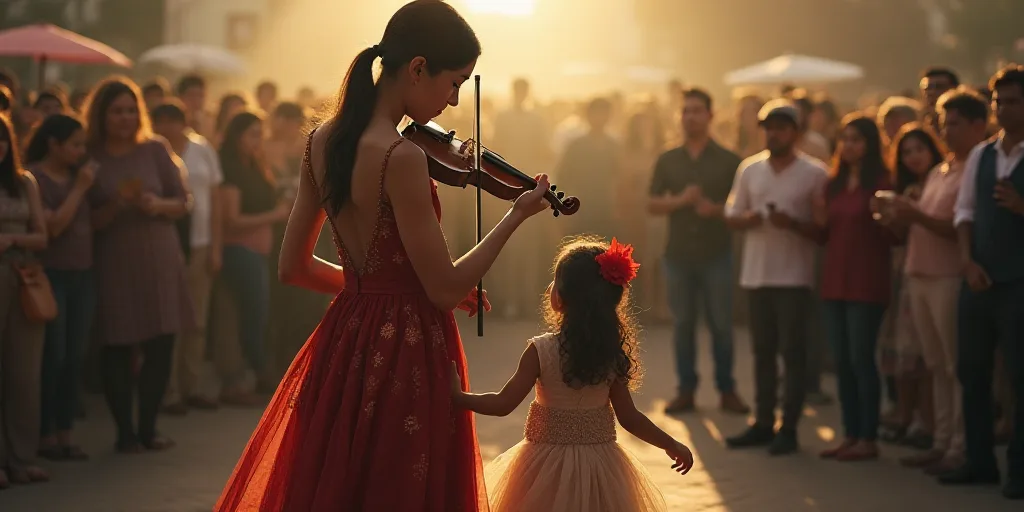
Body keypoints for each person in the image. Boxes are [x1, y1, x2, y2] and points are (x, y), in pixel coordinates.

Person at [214, 2, 551, 510]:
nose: (454, 101)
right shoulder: (402, 157)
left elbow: (294, 268)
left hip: (344, 340)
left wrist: (371, 293)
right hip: (406, 350)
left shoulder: (320, 143)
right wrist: (517, 214)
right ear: (417, 68)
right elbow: (444, 288)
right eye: (453, 82)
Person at [451, 237, 693, 512]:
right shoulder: (609, 354)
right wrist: (671, 444)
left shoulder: (541, 350)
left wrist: (460, 397)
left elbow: (502, 404)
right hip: (601, 469)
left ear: (560, 297)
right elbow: (631, 419)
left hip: (542, 468)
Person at [83, 76, 194, 454]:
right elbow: (89, 220)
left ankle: (148, 428)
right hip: (114, 260)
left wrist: (154, 204)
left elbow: (183, 202)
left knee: (161, 343)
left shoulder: (156, 149)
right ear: (101, 115)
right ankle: (124, 433)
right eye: (117, 111)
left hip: (159, 257)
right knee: (117, 344)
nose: (125, 117)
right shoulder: (89, 155)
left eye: (131, 110)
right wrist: (115, 204)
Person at [723, 99, 828, 456]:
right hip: (758, 274)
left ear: (795, 133)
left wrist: (794, 224)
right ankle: (763, 421)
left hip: (795, 278)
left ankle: (790, 427)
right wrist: (749, 219)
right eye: (768, 126)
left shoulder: (815, 173)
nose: (773, 133)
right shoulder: (750, 169)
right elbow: (731, 213)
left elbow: (824, 230)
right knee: (762, 352)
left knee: (792, 354)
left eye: (781, 127)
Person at [942, 66, 1024, 501]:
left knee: (1019, 377)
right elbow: (965, 212)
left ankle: (1019, 470)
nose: (1004, 109)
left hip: (1019, 283)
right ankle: (979, 462)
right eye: (999, 101)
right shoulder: (982, 155)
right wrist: (966, 261)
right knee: (971, 372)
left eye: (1012, 101)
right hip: (979, 278)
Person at [648, 88, 748, 414]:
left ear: (710, 115)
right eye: (685, 111)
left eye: (696, 111)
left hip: (716, 253)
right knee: (683, 325)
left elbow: (741, 209)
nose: (690, 117)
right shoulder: (668, 159)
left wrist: (715, 210)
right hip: (678, 255)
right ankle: (686, 390)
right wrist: (680, 201)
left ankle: (727, 389)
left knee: (721, 324)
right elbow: (651, 203)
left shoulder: (730, 160)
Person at [815, 115, 893, 462]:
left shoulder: (882, 182)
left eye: (857, 139)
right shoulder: (833, 184)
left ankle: (868, 436)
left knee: (862, 358)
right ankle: (850, 433)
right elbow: (823, 233)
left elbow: (892, 235)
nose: (849, 145)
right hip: (835, 281)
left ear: (870, 144)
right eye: (844, 139)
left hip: (867, 280)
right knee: (843, 361)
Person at [24, 114, 95, 462]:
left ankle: (66, 432)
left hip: (83, 275)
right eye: (75, 145)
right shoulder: (35, 178)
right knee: (54, 356)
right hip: (52, 275)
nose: (80, 152)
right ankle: (45, 433)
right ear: (53, 144)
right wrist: (80, 188)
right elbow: (53, 227)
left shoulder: (77, 175)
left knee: (75, 357)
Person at [151, 100, 224, 413]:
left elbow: (216, 198)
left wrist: (217, 247)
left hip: (201, 242)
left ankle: (190, 385)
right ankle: (166, 390)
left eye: (173, 119)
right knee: (168, 319)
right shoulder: (152, 152)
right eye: (161, 120)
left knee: (197, 318)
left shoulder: (201, 148)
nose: (168, 126)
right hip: (165, 245)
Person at [0, 114, 50, 488]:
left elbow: (41, 235)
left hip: (22, 279)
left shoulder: (23, 182)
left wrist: (12, 241)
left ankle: (21, 458)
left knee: (24, 373)